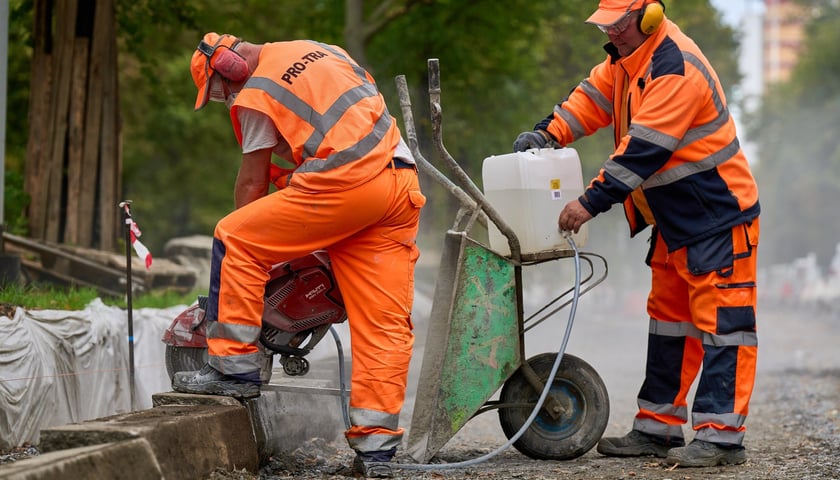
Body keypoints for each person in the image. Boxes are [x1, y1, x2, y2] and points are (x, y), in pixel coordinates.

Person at [513, 0, 760, 468]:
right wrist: (548, 133)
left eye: (618, 23)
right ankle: (656, 428)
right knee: (668, 322)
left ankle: (722, 438)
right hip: (674, 221)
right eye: (605, 24)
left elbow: (642, 150)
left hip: (717, 217)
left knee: (724, 329)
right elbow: (589, 101)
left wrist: (587, 203)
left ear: (648, 17)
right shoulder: (624, 62)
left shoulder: (675, 67)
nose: (610, 32)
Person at [173, 32, 426, 478]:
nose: (224, 100)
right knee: (381, 323)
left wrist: (254, 265)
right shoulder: (317, 49)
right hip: (398, 184)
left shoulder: (255, 92)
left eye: (218, 93)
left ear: (229, 69)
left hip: (346, 184)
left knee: (234, 237)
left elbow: (251, 184)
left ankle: (235, 368)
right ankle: (377, 452)